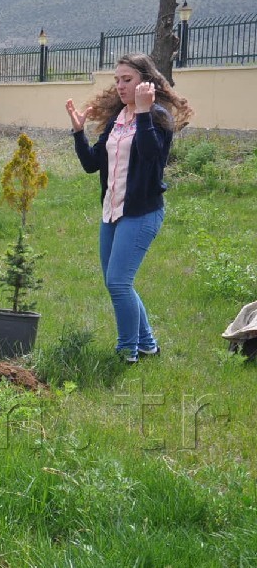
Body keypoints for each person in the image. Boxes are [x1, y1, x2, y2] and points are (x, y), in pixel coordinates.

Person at [66, 53, 192, 363]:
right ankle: (147, 344)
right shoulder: (117, 120)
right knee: (117, 283)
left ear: (145, 82)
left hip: (142, 212)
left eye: (127, 80)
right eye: (118, 80)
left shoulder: (158, 117)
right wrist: (78, 133)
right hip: (112, 211)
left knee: (119, 282)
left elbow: (151, 157)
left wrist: (145, 112)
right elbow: (92, 164)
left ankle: (127, 350)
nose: (121, 86)